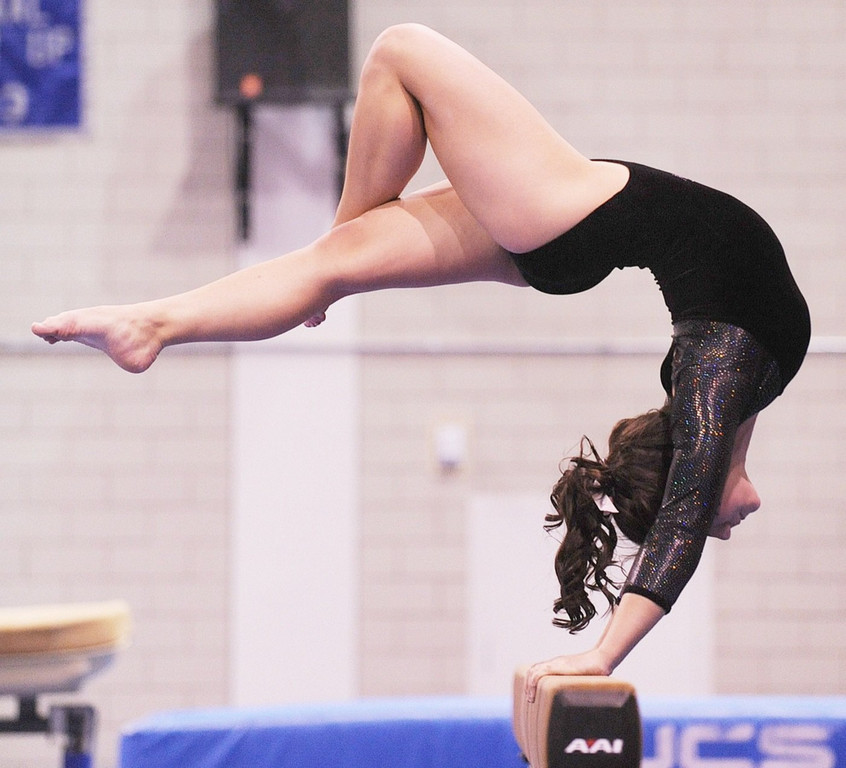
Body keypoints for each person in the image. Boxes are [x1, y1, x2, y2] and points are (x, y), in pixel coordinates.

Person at [31, 24, 810, 700]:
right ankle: (161, 321)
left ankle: (263, 280)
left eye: (707, 520)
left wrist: (602, 656)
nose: (727, 526)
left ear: (689, 475)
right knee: (333, 262)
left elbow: (680, 522)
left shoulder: (717, 383)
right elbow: (686, 505)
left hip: (567, 212)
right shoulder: (733, 389)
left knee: (399, 52)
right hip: (567, 225)